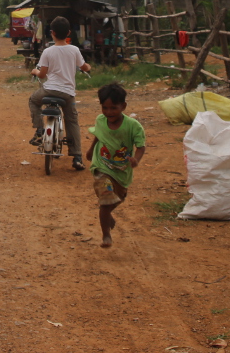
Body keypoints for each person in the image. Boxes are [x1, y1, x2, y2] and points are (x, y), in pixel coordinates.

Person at [85, 82, 145, 248]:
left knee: (117, 199)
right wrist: (91, 150)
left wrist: (136, 160)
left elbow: (141, 147)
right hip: (101, 167)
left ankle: (107, 215)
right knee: (106, 199)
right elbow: (99, 134)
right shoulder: (100, 120)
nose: (108, 112)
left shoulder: (133, 126)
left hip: (121, 171)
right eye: (105, 108)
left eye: (113, 108)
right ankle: (106, 235)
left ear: (123, 106)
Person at [28, 16, 90, 170]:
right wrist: (88, 68)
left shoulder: (48, 51)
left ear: (52, 33)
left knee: (33, 100)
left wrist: (35, 71)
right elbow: (83, 66)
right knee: (72, 121)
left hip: (49, 90)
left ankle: (40, 130)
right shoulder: (74, 50)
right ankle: (77, 157)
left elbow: (42, 75)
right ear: (69, 32)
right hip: (68, 94)